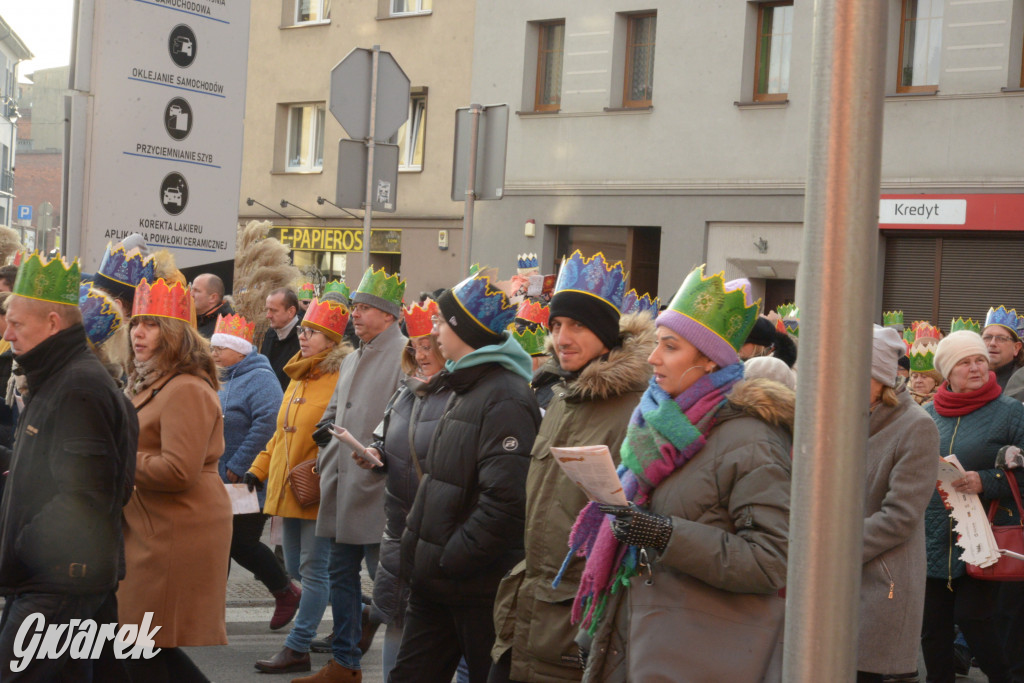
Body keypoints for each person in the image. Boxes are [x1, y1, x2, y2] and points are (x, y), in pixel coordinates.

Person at [569, 266, 792, 682]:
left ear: (709, 360)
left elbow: (771, 563)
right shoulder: (655, 420)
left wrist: (665, 535)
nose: (653, 357)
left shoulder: (752, 441)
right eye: (657, 344)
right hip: (644, 639)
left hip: (703, 655)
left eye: (669, 347)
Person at [490, 251, 655, 683]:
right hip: (531, 603)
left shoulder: (635, 411)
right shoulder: (562, 396)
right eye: (557, 325)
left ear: (605, 335)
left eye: (577, 326)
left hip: (581, 615)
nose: (562, 337)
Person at [388, 272, 541, 683]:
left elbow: (506, 500)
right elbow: (441, 481)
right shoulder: (466, 385)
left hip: (475, 588)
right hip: (437, 584)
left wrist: (449, 558)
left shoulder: (505, 395)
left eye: (441, 321)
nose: (434, 331)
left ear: (463, 329)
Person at [0, 253, 138, 680]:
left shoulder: (78, 384)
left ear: (54, 324)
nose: (7, 334)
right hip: (62, 575)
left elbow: (87, 495)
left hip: (58, 578)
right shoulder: (59, 376)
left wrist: (26, 545)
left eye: (17, 324)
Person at [297, 266, 408, 683]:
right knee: (340, 578)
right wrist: (323, 431)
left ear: (389, 315)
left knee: (388, 587)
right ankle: (345, 662)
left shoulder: (405, 355)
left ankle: (399, 666)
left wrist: (377, 452)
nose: (355, 315)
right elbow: (333, 414)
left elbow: (407, 421)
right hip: (340, 485)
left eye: (364, 308)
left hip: (379, 490)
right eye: (355, 308)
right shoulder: (352, 358)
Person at [120, 276, 233, 681]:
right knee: (139, 648)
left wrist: (118, 459)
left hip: (174, 530)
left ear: (173, 334)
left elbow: (178, 470)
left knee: (139, 645)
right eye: (136, 323)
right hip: (155, 526)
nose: (138, 332)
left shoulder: (185, 388)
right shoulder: (153, 381)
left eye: (150, 324)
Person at [247, 297, 352, 674]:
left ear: (331, 340)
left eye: (311, 332)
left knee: (313, 569)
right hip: (288, 487)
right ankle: (359, 612)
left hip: (317, 486)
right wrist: (258, 469)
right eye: (303, 331)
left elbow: (346, 428)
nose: (303, 337)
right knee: (294, 566)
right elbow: (280, 432)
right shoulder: (298, 374)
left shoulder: (341, 376)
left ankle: (298, 646)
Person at [349, 298, 452, 681]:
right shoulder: (405, 393)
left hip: (438, 531)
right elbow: (384, 435)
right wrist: (373, 453)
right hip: (399, 528)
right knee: (395, 618)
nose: (421, 354)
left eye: (429, 346)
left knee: (436, 627)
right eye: (416, 347)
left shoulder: (457, 397)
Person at [921, 329, 1024, 683]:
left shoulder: (1011, 413)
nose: (977, 367)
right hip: (932, 534)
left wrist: (988, 480)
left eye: (980, 359)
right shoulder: (927, 412)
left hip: (985, 536)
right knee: (932, 629)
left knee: (975, 620)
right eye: (965, 362)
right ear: (947, 371)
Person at [857, 326, 939, 683]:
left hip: (880, 583)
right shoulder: (841, 417)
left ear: (881, 378)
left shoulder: (916, 426)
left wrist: (827, 549)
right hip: (832, 580)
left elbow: (900, 517)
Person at [211, 313, 301, 632]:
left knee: (241, 543)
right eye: (214, 347)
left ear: (241, 350)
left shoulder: (259, 376)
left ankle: (286, 591)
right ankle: (211, 609)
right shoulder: (221, 375)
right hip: (220, 480)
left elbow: (268, 422)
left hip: (247, 479)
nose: (215, 352)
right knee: (220, 543)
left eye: (222, 347)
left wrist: (240, 464)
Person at [262, 287, 302, 390]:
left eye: (273, 310)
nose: (268, 315)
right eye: (267, 309)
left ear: (291, 312)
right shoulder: (270, 333)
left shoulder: (304, 338)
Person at [980, 306, 1024, 390]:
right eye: (987, 337)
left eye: (1001, 338)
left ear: (1016, 348)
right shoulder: (966, 375)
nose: (992, 343)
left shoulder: (1021, 384)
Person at [193, 273, 234, 338]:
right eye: (191, 289)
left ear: (212, 298)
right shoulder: (191, 320)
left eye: (196, 291)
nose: (191, 294)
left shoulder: (228, 326)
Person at [908, 340, 942, 405]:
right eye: (915, 376)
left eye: (924, 377)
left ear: (936, 381)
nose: (918, 381)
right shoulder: (900, 400)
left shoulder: (943, 402)